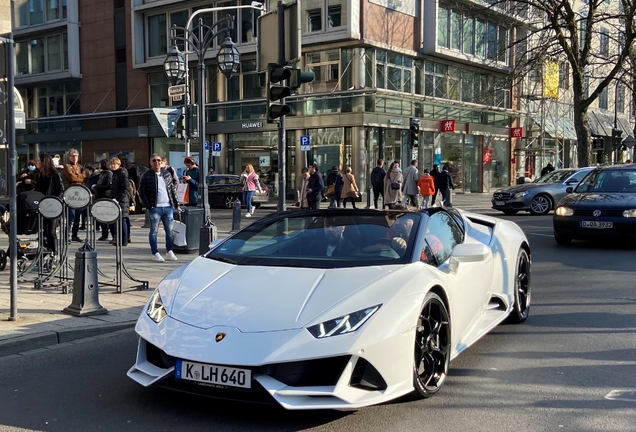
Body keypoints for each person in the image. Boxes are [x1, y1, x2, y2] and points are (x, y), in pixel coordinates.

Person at [139, 153, 179, 262]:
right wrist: (149, 205)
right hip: (155, 207)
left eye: (158, 160)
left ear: (161, 162)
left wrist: (175, 203)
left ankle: (169, 250)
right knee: (153, 231)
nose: (157, 162)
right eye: (154, 161)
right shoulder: (146, 175)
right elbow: (141, 192)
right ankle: (155, 252)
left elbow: (172, 190)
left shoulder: (166, 174)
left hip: (167, 207)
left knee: (169, 231)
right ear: (150, 163)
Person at [33, 153, 64, 254]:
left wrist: (52, 199)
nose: (37, 163)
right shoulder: (41, 174)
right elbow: (38, 189)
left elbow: (61, 189)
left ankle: (54, 253)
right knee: (44, 230)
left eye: (39, 161)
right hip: (42, 204)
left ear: (44, 162)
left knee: (51, 231)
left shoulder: (55, 174)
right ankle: (47, 250)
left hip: (52, 205)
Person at [62, 148, 88, 242]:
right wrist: (82, 176)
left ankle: (75, 234)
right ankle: (66, 235)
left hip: (80, 194)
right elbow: (72, 178)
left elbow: (87, 176)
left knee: (78, 216)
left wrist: (80, 176)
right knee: (71, 215)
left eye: (76, 156)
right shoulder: (67, 166)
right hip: (71, 193)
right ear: (69, 157)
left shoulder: (80, 167)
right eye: (72, 156)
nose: (74, 158)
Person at [108, 157, 130, 246]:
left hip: (122, 201)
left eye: (114, 164)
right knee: (119, 221)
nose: (112, 166)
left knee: (122, 220)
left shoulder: (122, 173)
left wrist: (117, 199)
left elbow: (125, 188)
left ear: (118, 164)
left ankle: (124, 240)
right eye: (111, 164)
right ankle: (121, 238)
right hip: (117, 200)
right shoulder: (115, 174)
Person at [92, 159, 116, 241]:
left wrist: (97, 187)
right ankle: (104, 234)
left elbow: (109, 186)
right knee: (102, 217)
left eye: (100, 164)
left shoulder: (108, 174)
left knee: (108, 217)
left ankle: (114, 235)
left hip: (106, 197)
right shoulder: (103, 174)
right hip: (100, 197)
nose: (99, 166)